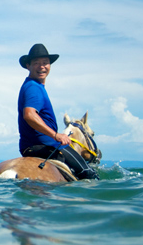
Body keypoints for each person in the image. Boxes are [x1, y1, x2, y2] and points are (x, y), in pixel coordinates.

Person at [17, 43, 98, 179]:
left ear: (50, 66)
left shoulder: (34, 86)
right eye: (36, 63)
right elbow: (29, 115)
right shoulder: (33, 87)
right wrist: (56, 135)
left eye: (45, 63)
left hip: (30, 146)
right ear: (28, 66)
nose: (42, 66)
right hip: (46, 145)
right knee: (89, 173)